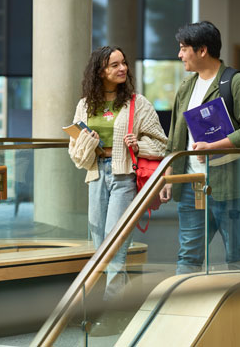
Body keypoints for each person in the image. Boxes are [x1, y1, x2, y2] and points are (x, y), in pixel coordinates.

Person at [159, 21, 240, 275]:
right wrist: (169, 176)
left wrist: (214, 146)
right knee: (188, 253)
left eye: (184, 48)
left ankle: (239, 309)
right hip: (192, 184)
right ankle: (181, 309)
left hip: (231, 183)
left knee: (235, 254)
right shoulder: (186, 86)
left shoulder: (237, 83)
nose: (180, 54)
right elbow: (176, 135)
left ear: (202, 50)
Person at [68, 46, 167, 307]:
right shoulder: (85, 105)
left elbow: (161, 143)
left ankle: (112, 309)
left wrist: (138, 145)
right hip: (96, 173)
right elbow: (76, 154)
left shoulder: (138, 103)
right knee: (99, 239)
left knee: (116, 239)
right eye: (114, 65)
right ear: (100, 71)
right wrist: (89, 143)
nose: (122, 68)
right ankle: (99, 304)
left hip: (124, 176)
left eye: (123, 63)